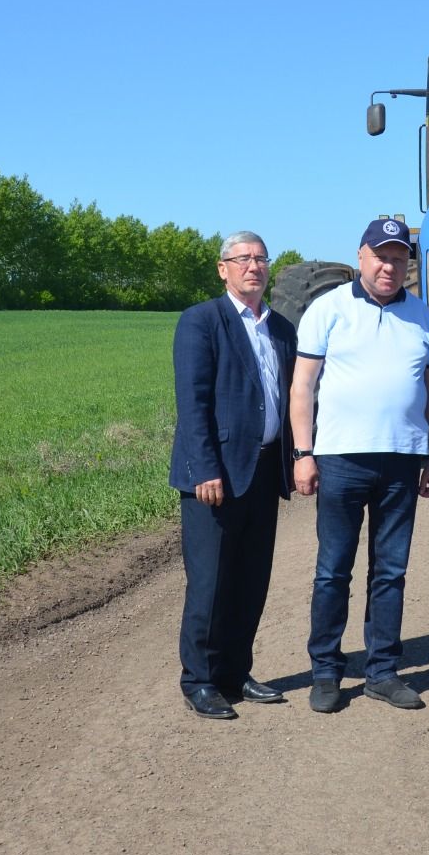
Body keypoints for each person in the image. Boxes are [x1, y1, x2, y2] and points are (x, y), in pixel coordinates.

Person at [290, 218, 429, 713]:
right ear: (361, 256)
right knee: (333, 571)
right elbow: (302, 388)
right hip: (340, 460)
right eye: (381, 255)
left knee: (391, 572)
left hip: (402, 460)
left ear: (408, 264)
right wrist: (303, 453)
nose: (389, 265)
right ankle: (326, 670)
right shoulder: (328, 309)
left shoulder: (423, 316)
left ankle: (382, 671)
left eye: (399, 257)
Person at [168, 231, 296, 720]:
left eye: (261, 258)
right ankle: (199, 680)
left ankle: (235, 673)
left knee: (250, 579)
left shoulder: (281, 328)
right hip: (215, 476)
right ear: (223, 269)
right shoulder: (202, 321)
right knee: (210, 582)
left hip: (263, 472)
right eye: (242, 259)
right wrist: (205, 469)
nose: (253, 266)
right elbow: (193, 403)